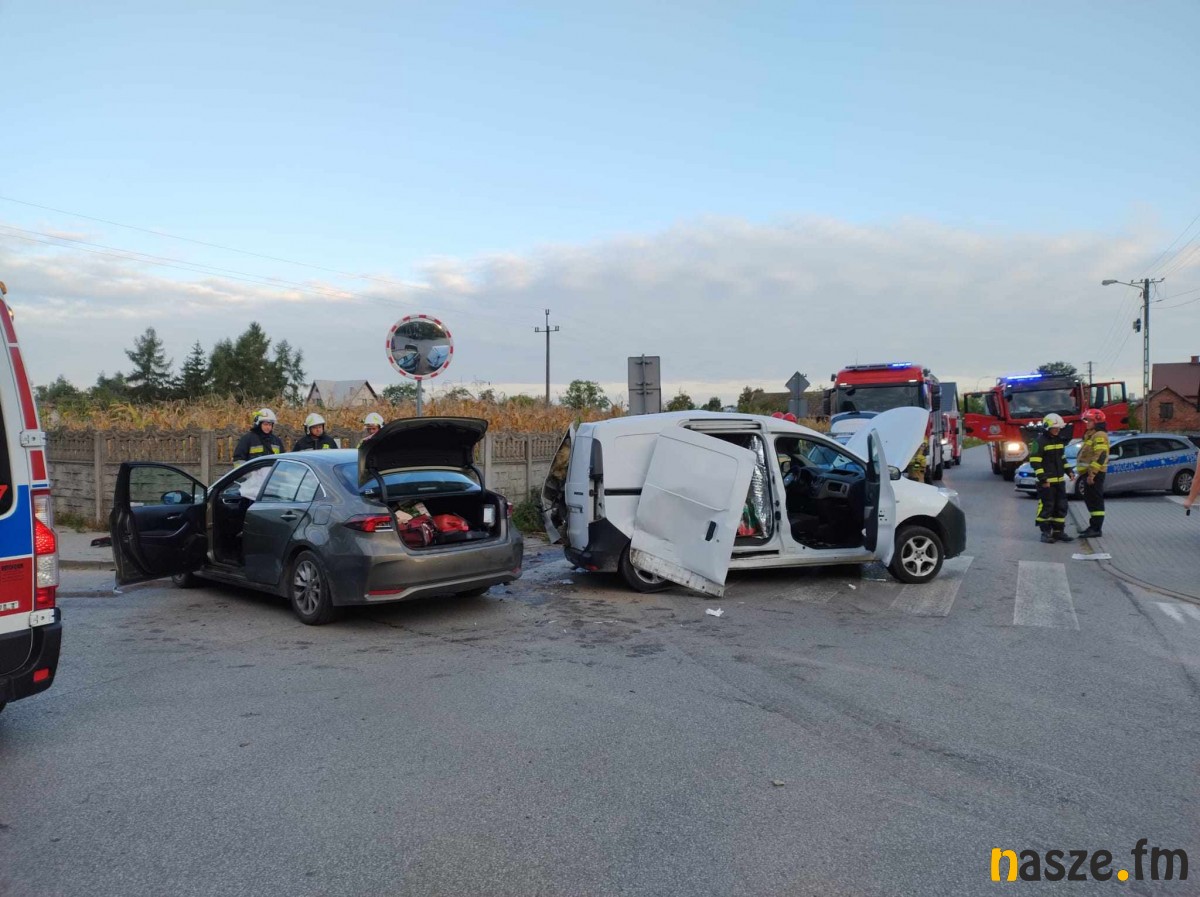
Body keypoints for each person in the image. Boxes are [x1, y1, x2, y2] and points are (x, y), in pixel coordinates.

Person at [1029, 413, 1073, 543]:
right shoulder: (1039, 442)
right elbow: (1035, 462)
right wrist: (1043, 479)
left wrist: (1069, 471)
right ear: (1047, 427)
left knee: (1061, 506)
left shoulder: (1059, 441)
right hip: (1046, 482)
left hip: (1059, 481)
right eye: (1055, 428)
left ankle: (1059, 532)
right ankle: (1045, 533)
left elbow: (1062, 458)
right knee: (1047, 506)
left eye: (1058, 428)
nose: (1057, 430)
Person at [1075, 409, 1110, 538]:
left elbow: (1100, 455)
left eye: (1089, 420)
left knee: (1095, 501)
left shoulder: (1099, 435)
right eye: (1086, 421)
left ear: (1097, 421)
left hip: (1095, 474)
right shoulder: (1092, 434)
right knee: (1090, 500)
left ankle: (1096, 529)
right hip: (1088, 473)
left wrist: (1092, 474)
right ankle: (1093, 526)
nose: (1087, 423)